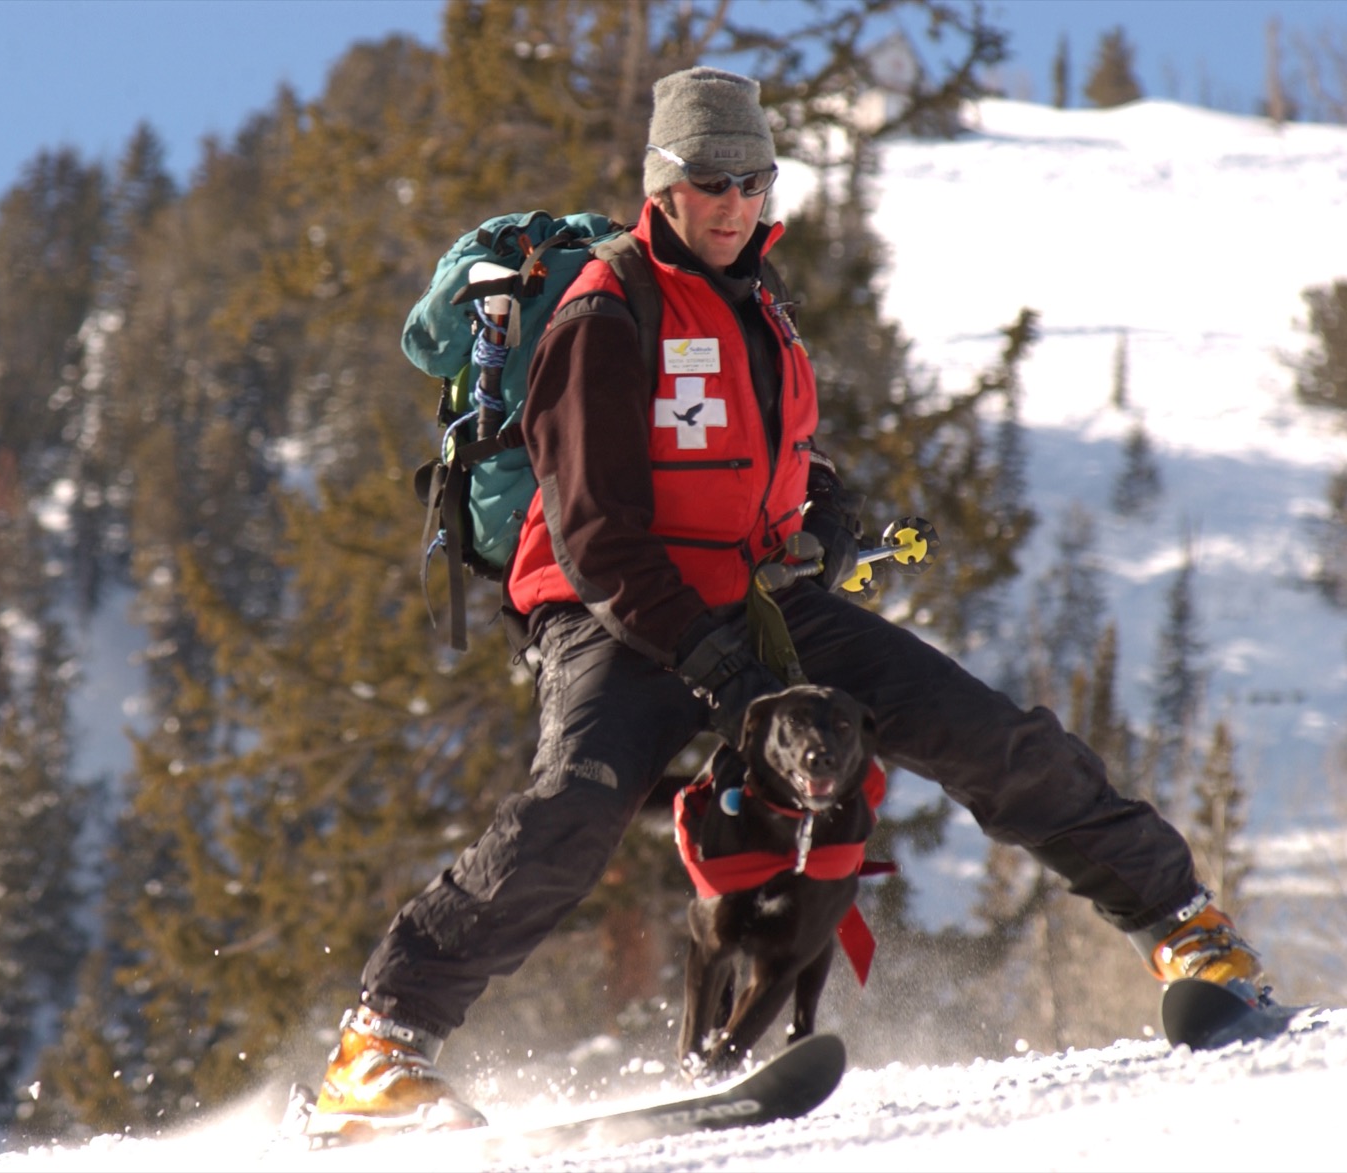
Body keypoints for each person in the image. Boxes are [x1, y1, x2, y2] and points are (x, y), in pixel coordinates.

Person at [305, 65, 1267, 1139]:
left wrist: (827, 508)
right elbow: (595, 532)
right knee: (578, 802)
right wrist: (714, 663)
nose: (734, 202)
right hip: (614, 611)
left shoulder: (758, 303)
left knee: (979, 730)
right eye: (710, 180)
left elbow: (768, 454)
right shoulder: (603, 311)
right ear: (663, 186)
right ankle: (379, 1044)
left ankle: (1186, 927)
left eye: (753, 179)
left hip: (746, 598)